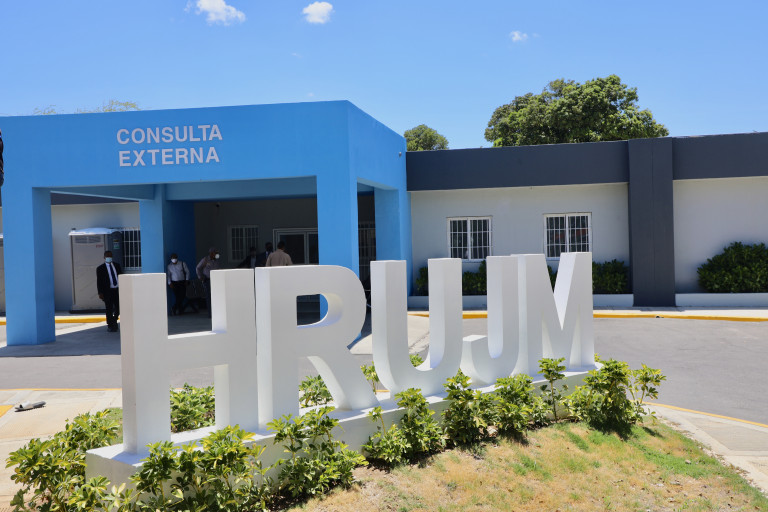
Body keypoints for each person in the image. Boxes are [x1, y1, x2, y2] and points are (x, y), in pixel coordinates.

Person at [96, 250, 122, 332]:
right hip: (107, 291)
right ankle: (110, 325)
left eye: (110, 256)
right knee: (109, 309)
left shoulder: (117, 266)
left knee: (119, 307)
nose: (109, 258)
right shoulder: (100, 268)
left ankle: (114, 320)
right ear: (104, 257)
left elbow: (121, 277)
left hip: (117, 290)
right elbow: (99, 281)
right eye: (107, 256)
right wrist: (100, 293)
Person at [196, 247, 221, 317]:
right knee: (209, 297)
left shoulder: (217, 261)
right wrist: (200, 277)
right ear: (212, 253)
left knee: (216, 297)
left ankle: (216, 313)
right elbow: (198, 268)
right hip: (207, 280)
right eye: (216, 253)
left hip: (216, 281)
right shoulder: (205, 260)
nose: (217, 254)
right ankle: (210, 314)